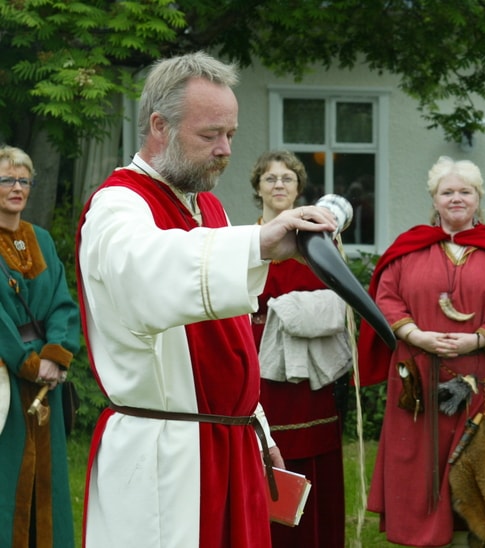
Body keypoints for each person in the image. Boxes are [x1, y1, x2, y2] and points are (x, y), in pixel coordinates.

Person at [75, 52, 336, 547]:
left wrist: (257, 425)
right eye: (210, 135)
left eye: (231, 135)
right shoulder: (118, 204)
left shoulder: (207, 206)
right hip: (163, 456)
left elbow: (227, 339)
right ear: (160, 126)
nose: (225, 150)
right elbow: (148, 274)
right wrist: (256, 243)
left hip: (227, 441)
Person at [357, 156, 485, 547]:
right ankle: (426, 536)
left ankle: (477, 535)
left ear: (479, 198)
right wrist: (417, 335)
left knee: (478, 463)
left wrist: (477, 339)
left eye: (466, 191)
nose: (457, 198)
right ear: (434, 198)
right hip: (420, 383)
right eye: (448, 191)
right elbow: (386, 296)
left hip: (482, 383)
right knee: (422, 466)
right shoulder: (408, 248)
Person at [249, 150, 348, 547]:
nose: (278, 185)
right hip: (258, 365)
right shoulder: (246, 241)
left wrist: (290, 311)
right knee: (262, 453)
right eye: (270, 178)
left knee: (313, 464)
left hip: (310, 371)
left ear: (299, 189)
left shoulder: (319, 245)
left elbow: (338, 305)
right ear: (257, 187)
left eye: (287, 178)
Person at [0, 146, 80, 547]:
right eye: (7, 180)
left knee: (46, 485)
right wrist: (28, 363)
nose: (17, 188)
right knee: (8, 474)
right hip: (6, 383)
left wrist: (55, 353)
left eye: (23, 180)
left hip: (47, 381)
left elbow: (62, 305)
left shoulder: (42, 240)